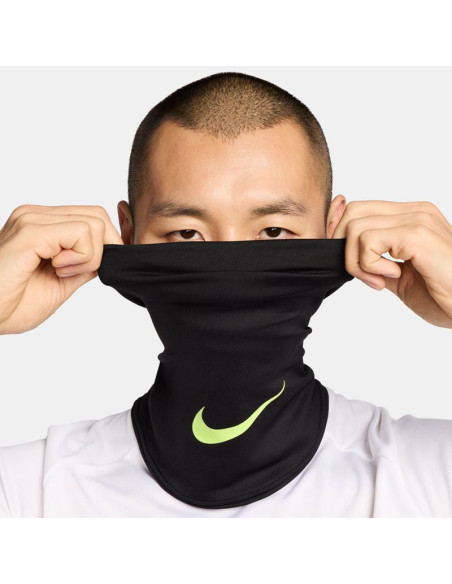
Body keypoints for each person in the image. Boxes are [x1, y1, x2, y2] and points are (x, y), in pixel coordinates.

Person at [0, 71, 451, 517]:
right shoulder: (27, 493)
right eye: (187, 233)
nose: (230, 263)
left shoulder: (429, 475)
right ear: (129, 235)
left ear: (333, 230)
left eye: (273, 231)